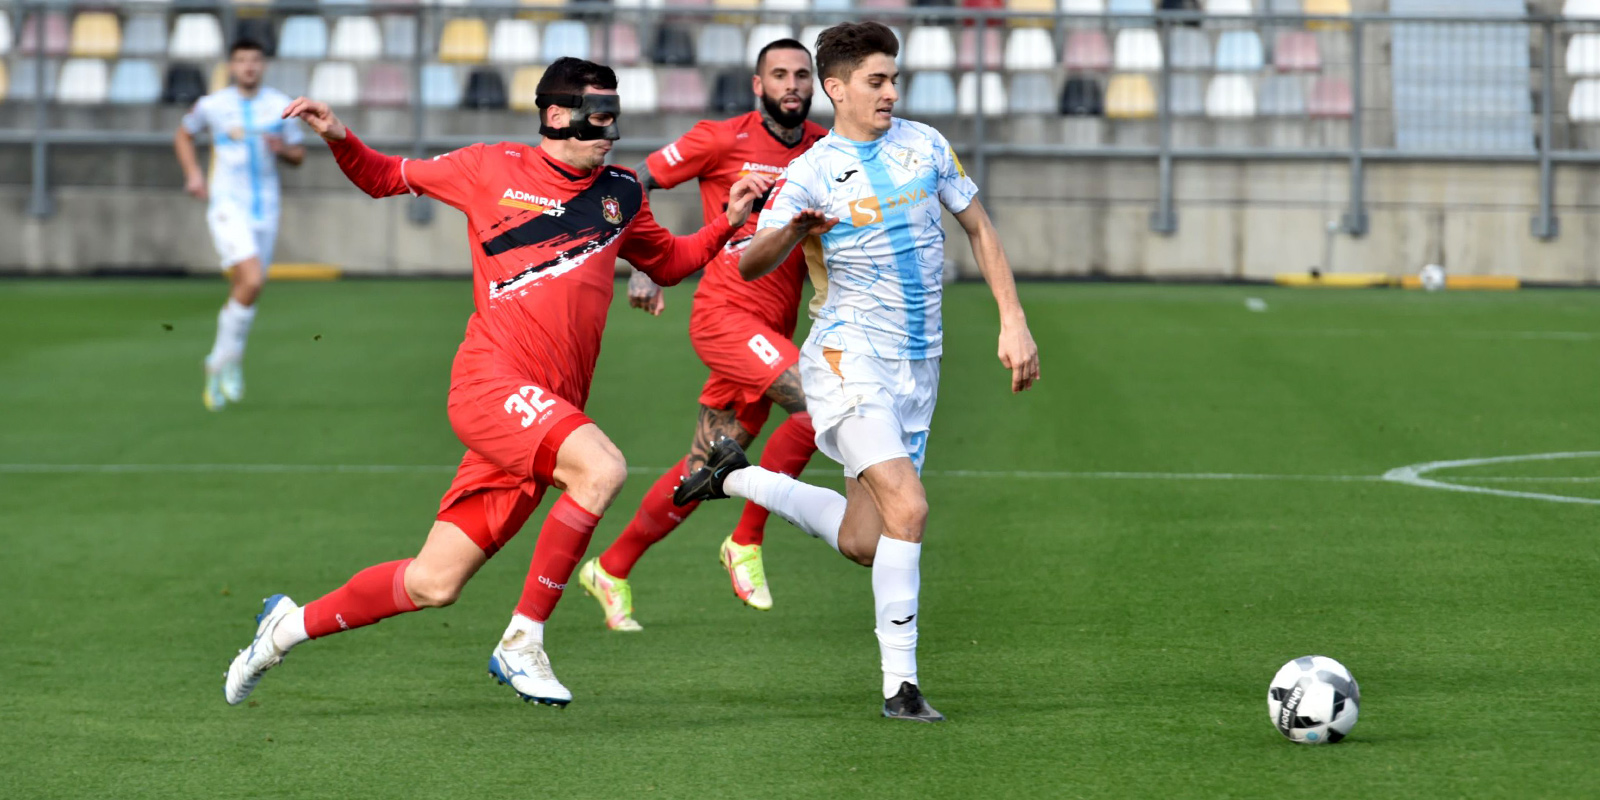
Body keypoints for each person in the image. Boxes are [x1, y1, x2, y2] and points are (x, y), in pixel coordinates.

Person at [221, 58, 772, 708]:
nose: (612, 129)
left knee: (433, 583)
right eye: (599, 114)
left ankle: (284, 628)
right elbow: (384, 177)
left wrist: (730, 220)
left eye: (614, 114)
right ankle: (522, 641)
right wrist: (340, 135)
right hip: (490, 386)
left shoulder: (622, 191)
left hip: (543, 414)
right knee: (600, 469)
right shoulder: (488, 166)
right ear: (556, 114)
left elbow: (670, 262)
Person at [675, 23, 1041, 723]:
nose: (891, 93)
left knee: (866, 542)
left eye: (894, 79)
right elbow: (750, 260)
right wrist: (788, 229)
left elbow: (980, 228)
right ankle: (900, 688)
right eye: (876, 81)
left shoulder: (925, 145)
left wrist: (1013, 320)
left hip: (918, 364)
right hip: (848, 360)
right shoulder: (809, 173)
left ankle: (733, 475)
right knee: (911, 508)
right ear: (836, 89)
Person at [577, 39, 829, 630]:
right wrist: (643, 263)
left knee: (704, 465)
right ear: (757, 85)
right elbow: (629, 185)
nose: (792, 84)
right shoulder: (721, 138)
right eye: (779, 74)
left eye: (802, 75)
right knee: (821, 405)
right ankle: (746, 540)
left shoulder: (824, 148)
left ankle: (610, 569)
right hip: (724, 317)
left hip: (772, 329)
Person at [174, 38, 305, 412]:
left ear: (263, 65)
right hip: (227, 206)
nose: (249, 66)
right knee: (251, 280)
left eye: (255, 60)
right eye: (242, 60)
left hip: (266, 209)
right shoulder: (214, 106)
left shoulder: (280, 105)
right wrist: (193, 174)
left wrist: (283, 149)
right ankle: (222, 359)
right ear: (231, 66)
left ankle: (226, 360)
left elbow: (299, 155)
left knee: (248, 289)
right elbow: (184, 133)